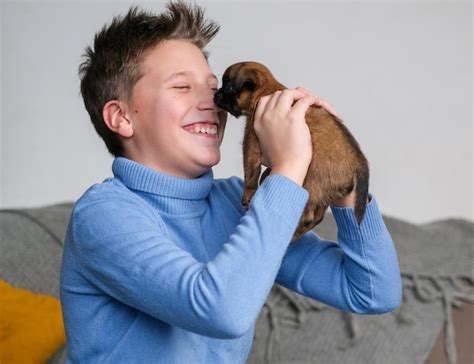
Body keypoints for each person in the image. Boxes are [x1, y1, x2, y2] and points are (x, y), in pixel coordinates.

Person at [60, 2, 402, 363]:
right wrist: (287, 170)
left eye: (212, 87)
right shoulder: (104, 216)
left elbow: (373, 292)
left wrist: (339, 169)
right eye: (181, 86)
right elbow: (220, 310)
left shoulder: (235, 205)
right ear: (121, 117)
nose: (212, 103)